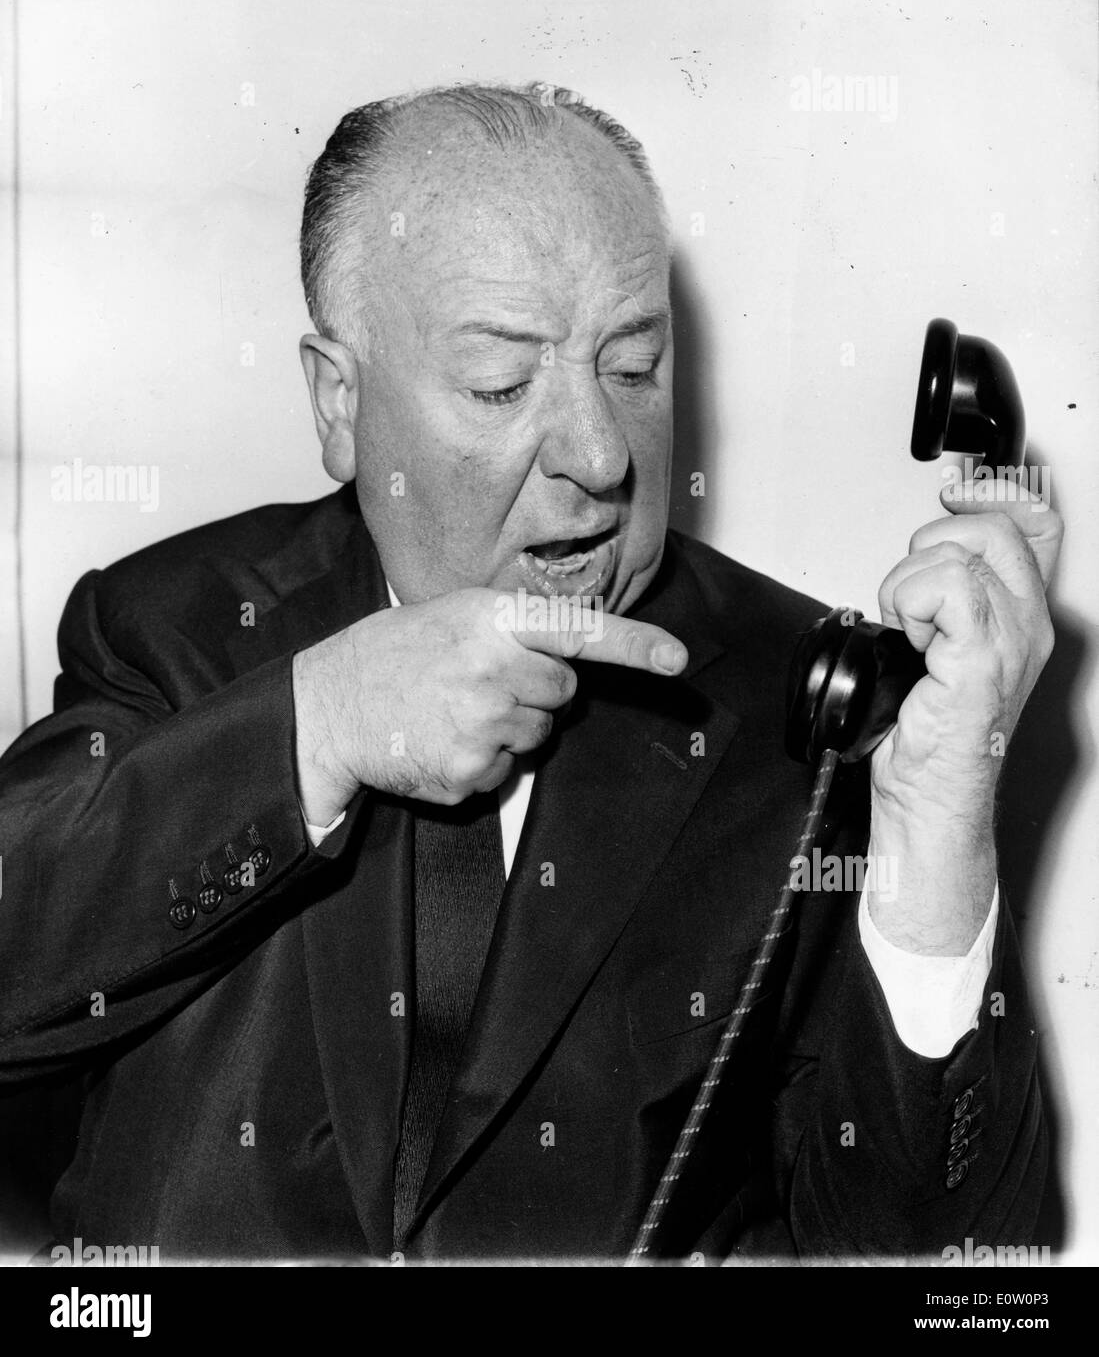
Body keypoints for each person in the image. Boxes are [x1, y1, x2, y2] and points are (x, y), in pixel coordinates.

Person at [0, 83, 1060, 1263]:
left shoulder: (795, 709)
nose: (601, 456)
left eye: (635, 367)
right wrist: (321, 728)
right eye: (504, 386)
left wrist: (941, 827)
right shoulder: (177, 626)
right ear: (339, 402)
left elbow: (950, 1278)